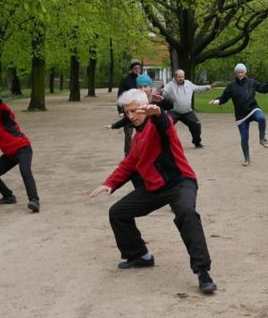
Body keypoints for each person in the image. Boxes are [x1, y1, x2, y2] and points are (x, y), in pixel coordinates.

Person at [90, 88, 217, 294]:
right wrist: (109, 183)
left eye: (135, 110)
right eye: (127, 112)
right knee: (118, 213)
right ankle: (140, 256)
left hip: (180, 182)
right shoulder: (137, 138)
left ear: (144, 108)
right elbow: (129, 164)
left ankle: (202, 271)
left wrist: (157, 112)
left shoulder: (158, 125)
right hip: (155, 188)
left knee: (186, 213)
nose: (131, 116)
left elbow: (163, 122)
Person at [0, 94, 41, 213]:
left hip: (23, 149)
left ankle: (34, 201)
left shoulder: (2, 115)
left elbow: (8, 112)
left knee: (25, 172)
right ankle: (8, 197)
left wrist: (0, 104)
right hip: (10, 154)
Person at [209, 63, 268, 166]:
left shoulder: (251, 82)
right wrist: (217, 101)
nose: (240, 74)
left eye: (242, 72)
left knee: (261, 118)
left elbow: (263, 88)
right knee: (244, 138)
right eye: (238, 72)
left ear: (245, 72)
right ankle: (247, 158)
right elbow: (224, 97)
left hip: (252, 109)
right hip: (241, 116)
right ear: (235, 73)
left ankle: (262, 138)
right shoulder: (231, 86)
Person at [161, 69, 214, 148]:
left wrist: (208, 87)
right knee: (165, 125)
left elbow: (197, 88)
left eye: (182, 76)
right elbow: (164, 93)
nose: (181, 78)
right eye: (179, 77)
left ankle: (197, 143)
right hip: (174, 112)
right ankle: (164, 144)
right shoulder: (170, 85)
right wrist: (161, 92)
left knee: (196, 125)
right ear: (175, 77)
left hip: (188, 112)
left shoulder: (188, 83)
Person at [108, 73, 173, 132]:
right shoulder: (136, 101)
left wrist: (163, 100)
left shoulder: (157, 99)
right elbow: (129, 117)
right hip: (141, 134)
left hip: (157, 135)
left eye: (145, 86)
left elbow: (170, 106)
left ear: (150, 87)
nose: (143, 90)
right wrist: (114, 125)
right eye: (140, 87)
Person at [116, 59, 142, 155]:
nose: (137, 70)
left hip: (140, 110)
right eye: (135, 68)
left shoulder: (141, 80)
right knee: (128, 134)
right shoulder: (125, 80)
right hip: (128, 110)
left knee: (142, 132)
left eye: (139, 68)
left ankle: (140, 152)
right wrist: (120, 110)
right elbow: (120, 95)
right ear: (131, 69)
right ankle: (128, 154)